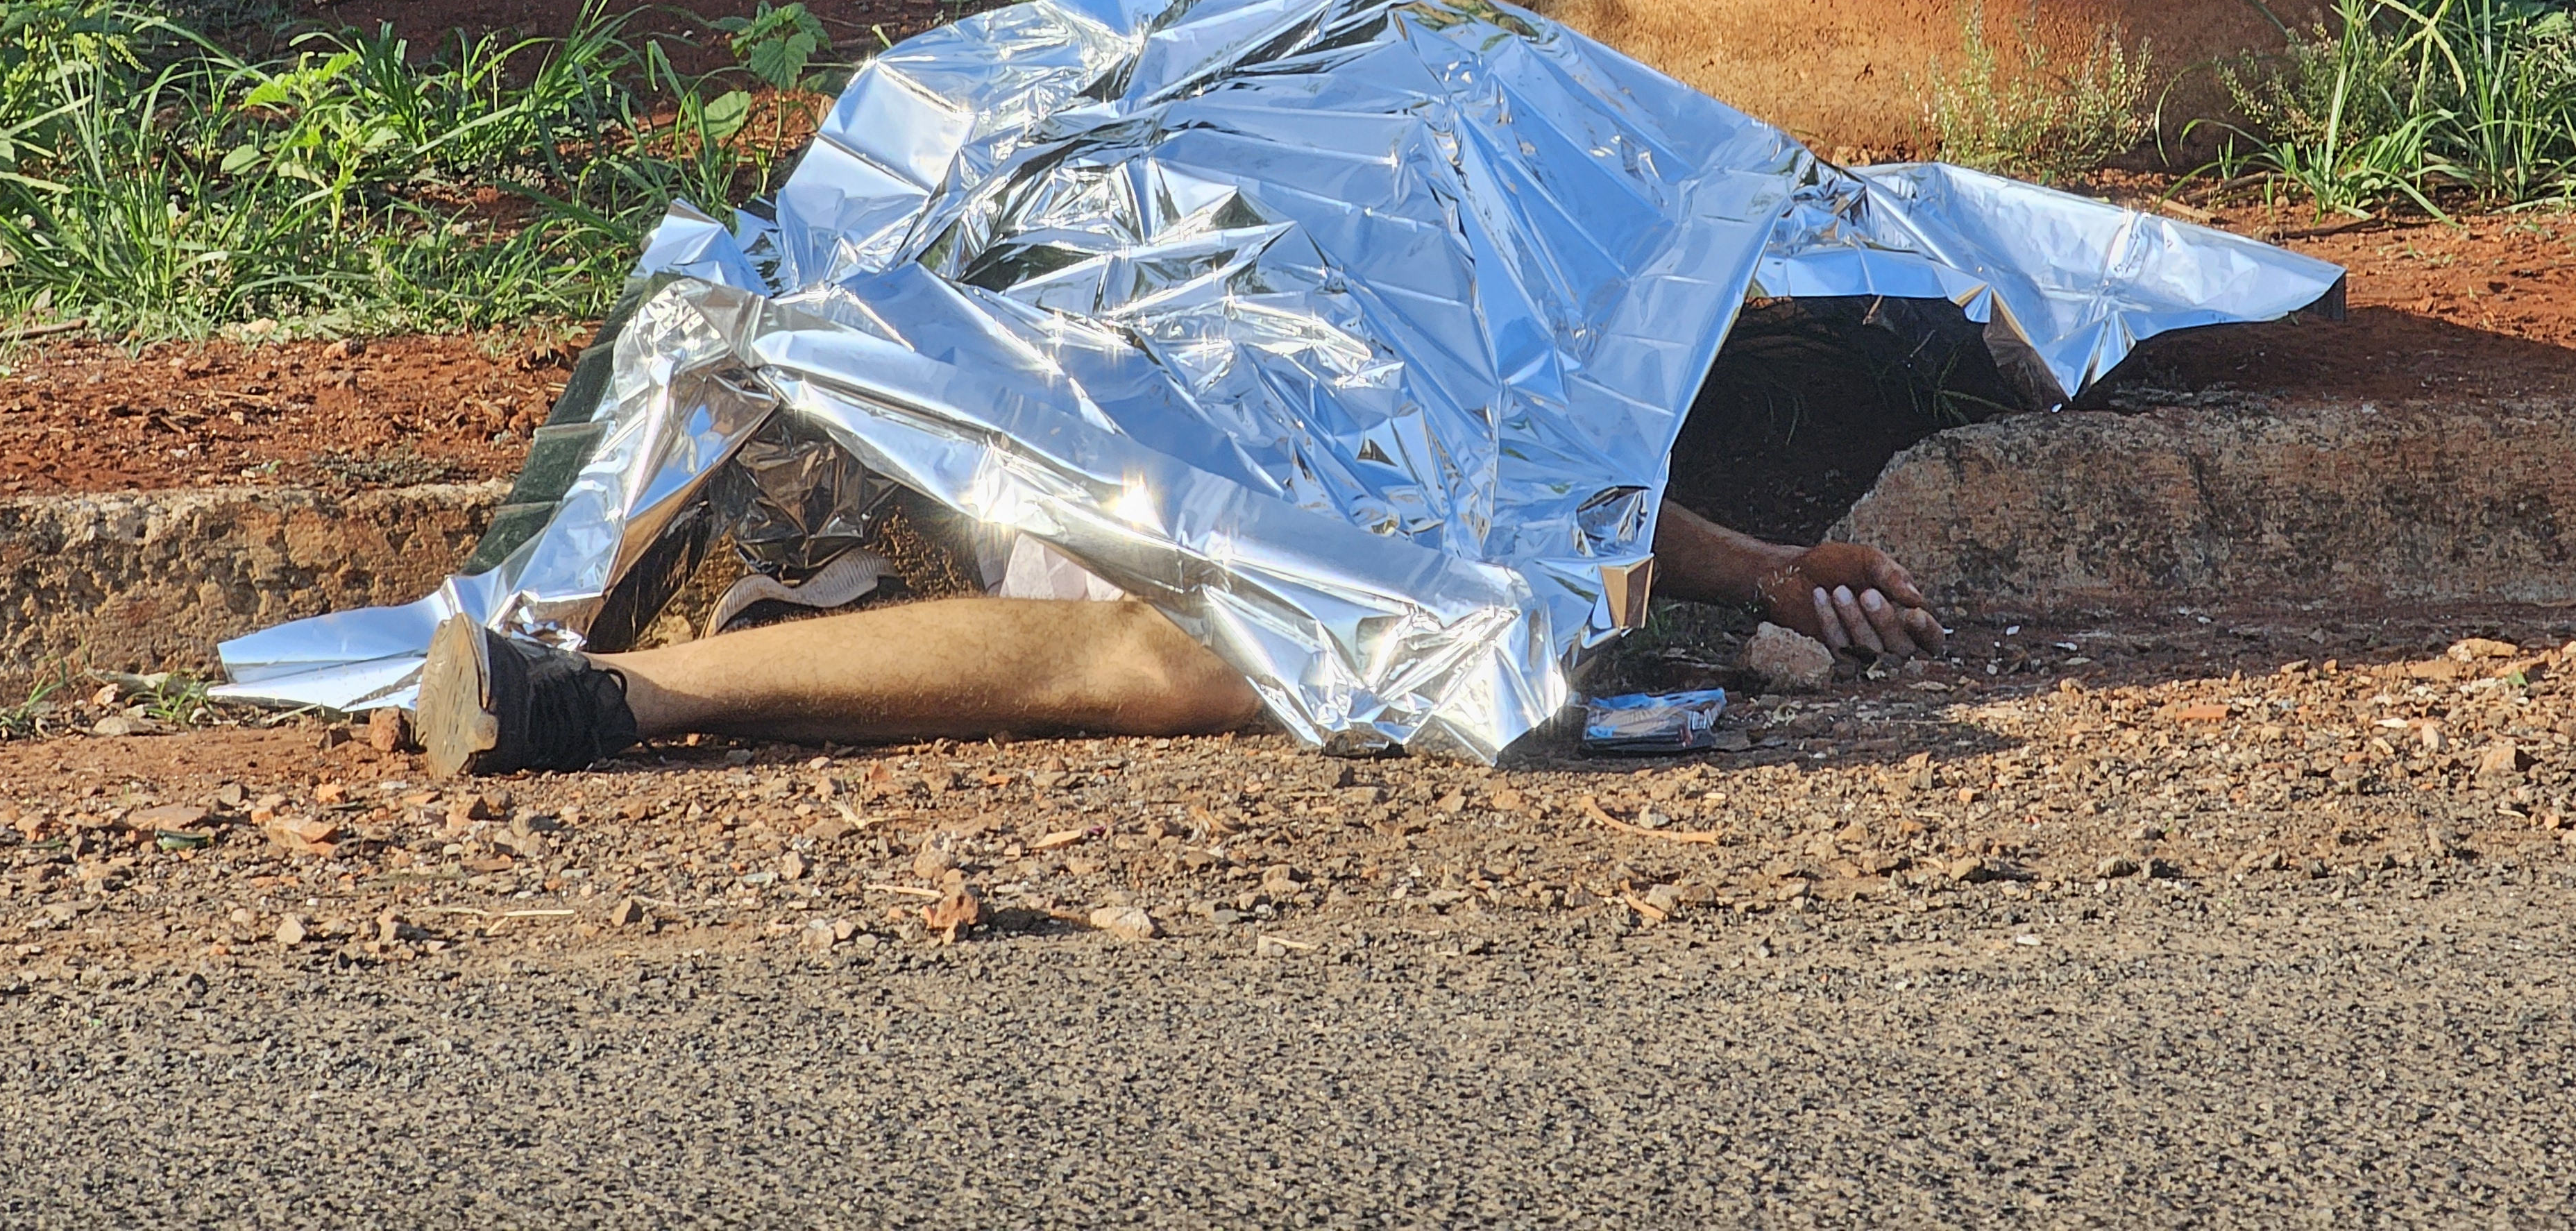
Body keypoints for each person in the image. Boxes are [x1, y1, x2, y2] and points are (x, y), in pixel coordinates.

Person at [414, 498, 1946, 776]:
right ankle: (599, 695)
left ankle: (583, 697)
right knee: (1189, 658)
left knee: (1211, 654)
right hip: (939, 468)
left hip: (1170, 530)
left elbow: (1534, 462)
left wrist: (1760, 574)